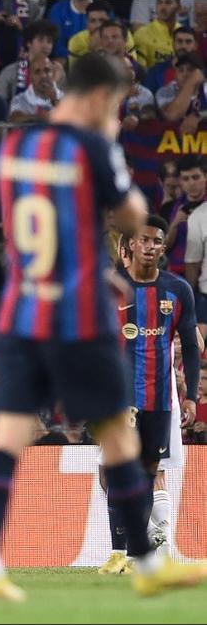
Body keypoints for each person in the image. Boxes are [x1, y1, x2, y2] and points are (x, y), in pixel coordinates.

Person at [0, 53, 205, 601]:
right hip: (76, 316)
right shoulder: (92, 148)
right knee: (119, 438)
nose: (117, 117)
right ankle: (149, 567)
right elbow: (131, 214)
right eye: (118, 106)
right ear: (101, 97)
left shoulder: (13, 148)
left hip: (20, 311)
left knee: (8, 439)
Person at [98, 215, 200, 575]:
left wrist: (189, 396)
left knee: (146, 474)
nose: (151, 246)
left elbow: (190, 345)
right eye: (145, 240)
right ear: (131, 245)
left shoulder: (177, 290)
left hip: (159, 398)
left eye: (158, 241)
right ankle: (117, 552)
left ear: (162, 246)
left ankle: (139, 553)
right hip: (118, 396)